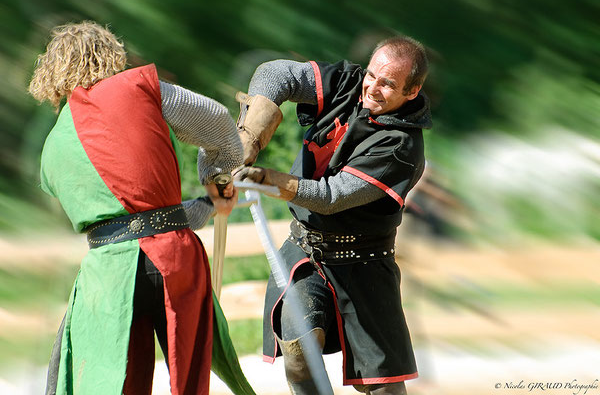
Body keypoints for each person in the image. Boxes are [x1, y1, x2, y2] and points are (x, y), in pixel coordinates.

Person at [28, 21, 246, 395]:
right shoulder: (144, 89)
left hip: (107, 276)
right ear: (112, 55)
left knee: (109, 383)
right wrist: (217, 178)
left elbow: (125, 227)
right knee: (189, 382)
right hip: (173, 261)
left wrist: (206, 204)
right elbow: (217, 122)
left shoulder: (51, 149)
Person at [234, 35, 432, 394]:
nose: (372, 88)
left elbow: (331, 197)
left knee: (381, 386)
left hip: (364, 263)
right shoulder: (348, 83)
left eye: (389, 84)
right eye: (373, 75)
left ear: (412, 91)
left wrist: (271, 179)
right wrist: (250, 135)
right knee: (298, 356)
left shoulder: (401, 146)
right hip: (305, 249)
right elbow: (276, 73)